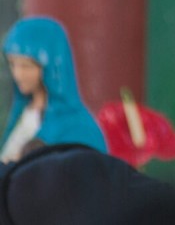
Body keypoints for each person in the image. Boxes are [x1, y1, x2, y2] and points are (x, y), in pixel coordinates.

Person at [1, 16, 107, 162]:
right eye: (13, 64)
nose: (17, 74)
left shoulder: (78, 127)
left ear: (50, 68)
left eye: (26, 66)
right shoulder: (22, 114)